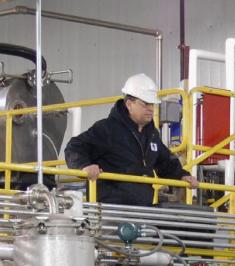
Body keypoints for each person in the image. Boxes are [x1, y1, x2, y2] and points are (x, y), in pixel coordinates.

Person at [64, 73, 198, 206]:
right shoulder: (107, 129)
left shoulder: (152, 135)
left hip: (142, 209)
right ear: (129, 104)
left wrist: (182, 175)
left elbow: (165, 162)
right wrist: (84, 166)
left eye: (152, 104)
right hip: (111, 210)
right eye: (146, 103)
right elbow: (74, 147)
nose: (151, 109)